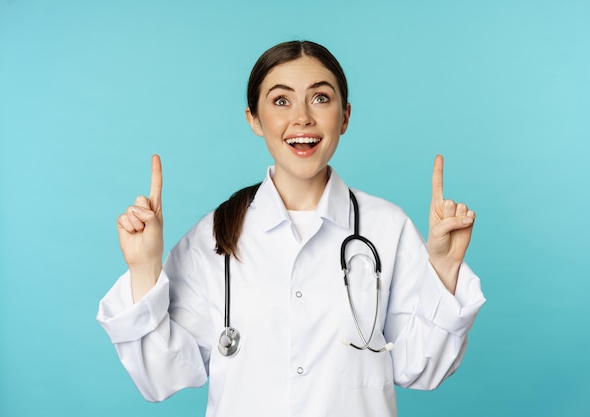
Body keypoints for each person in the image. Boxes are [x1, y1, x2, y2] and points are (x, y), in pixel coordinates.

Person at [97, 40, 485, 417]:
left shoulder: (387, 227)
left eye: (320, 98)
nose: (303, 117)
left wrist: (445, 268)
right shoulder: (214, 235)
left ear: (345, 116)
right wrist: (144, 269)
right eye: (281, 101)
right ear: (253, 119)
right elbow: (161, 377)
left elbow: (420, 369)